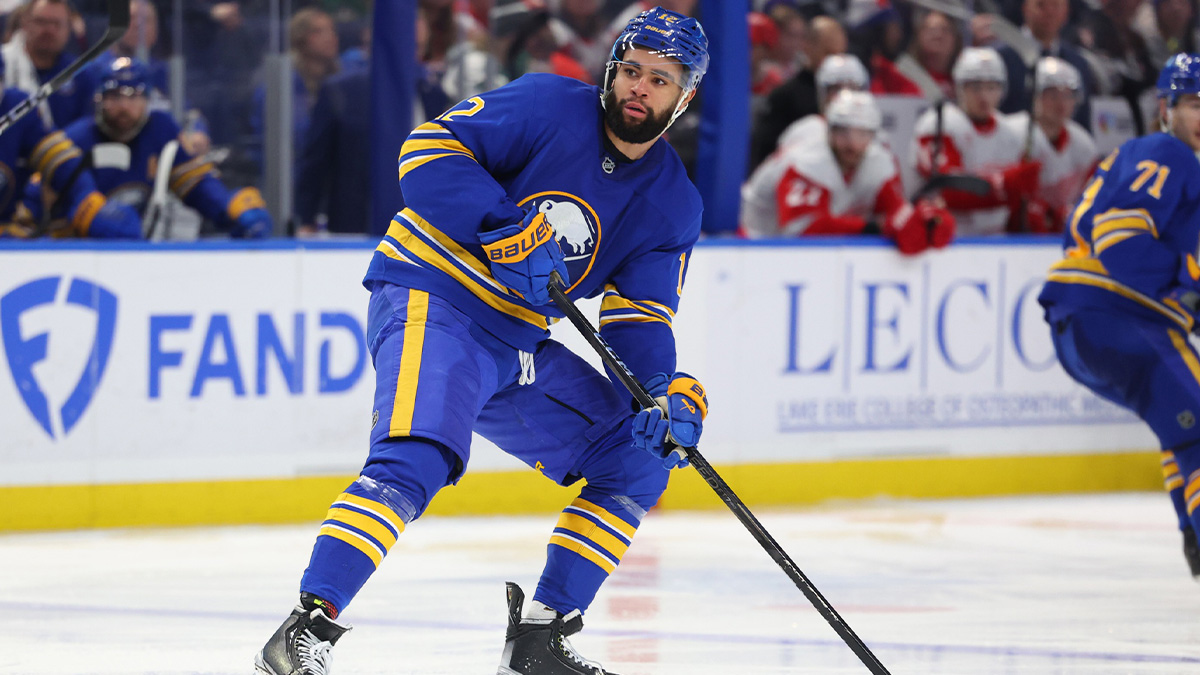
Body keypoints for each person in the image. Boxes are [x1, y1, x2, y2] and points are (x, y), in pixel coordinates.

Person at [254, 8, 709, 675]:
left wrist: (661, 393)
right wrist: (499, 225)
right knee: (417, 455)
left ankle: (538, 640)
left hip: (514, 341)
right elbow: (428, 150)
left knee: (636, 460)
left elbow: (638, 315)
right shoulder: (547, 102)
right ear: (612, 69)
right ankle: (303, 629)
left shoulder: (673, 203)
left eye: (661, 80)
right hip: (433, 294)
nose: (640, 88)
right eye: (632, 70)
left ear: (685, 96)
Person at [1037, 52, 1200, 581]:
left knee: (1185, 425)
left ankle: (1191, 532)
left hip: (1086, 321)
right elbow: (1121, 244)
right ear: (1165, 108)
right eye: (1196, 103)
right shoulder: (1168, 153)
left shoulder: (1154, 156)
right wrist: (1190, 283)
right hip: (1116, 311)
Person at [24, 58, 271, 238]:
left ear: (149, 99)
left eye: (133, 97)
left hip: (134, 254)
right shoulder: (76, 138)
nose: (124, 106)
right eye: (114, 96)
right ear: (98, 100)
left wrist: (228, 206)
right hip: (71, 254)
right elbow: (38, 194)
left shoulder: (160, 129)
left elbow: (195, 182)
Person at [741, 89, 954, 254]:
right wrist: (874, 227)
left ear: (873, 136)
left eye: (862, 133)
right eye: (843, 132)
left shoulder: (878, 158)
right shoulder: (807, 161)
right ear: (830, 131)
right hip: (752, 239)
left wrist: (924, 220)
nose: (852, 144)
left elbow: (895, 213)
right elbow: (802, 230)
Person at [913, 47, 1041, 236]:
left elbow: (1020, 204)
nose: (984, 96)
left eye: (992, 87)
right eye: (975, 87)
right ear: (959, 88)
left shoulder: (1012, 133)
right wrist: (1004, 186)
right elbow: (947, 191)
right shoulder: (938, 124)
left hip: (998, 240)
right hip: (947, 240)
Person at [1003, 56, 1099, 232]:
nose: (1061, 103)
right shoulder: (1012, 133)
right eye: (1052, 95)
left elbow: (1093, 196)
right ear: (1035, 96)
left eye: (1068, 95)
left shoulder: (1083, 143)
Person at [750, 15, 847, 171]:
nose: (834, 61)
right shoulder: (784, 96)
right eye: (828, 52)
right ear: (808, 47)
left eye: (840, 54)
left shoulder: (848, 97)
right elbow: (767, 155)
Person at [996, 0, 1095, 132]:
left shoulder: (1078, 63)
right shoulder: (1002, 58)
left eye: (1056, 6)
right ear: (1025, 9)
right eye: (1041, 5)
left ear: (1066, 12)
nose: (1049, 12)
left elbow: (1082, 121)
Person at [2, 0, 100, 129]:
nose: (49, 30)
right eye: (41, 22)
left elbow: (90, 124)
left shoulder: (80, 72)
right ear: (25, 23)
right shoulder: (4, 63)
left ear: (68, 29)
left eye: (57, 24)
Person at [776, 53, 868, 149]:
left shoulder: (876, 137)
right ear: (823, 94)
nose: (844, 95)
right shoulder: (802, 133)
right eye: (835, 88)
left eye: (852, 88)